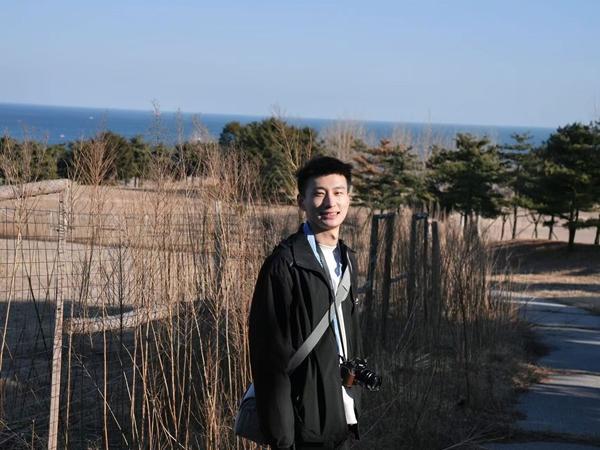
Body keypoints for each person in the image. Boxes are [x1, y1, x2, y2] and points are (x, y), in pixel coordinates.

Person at [249, 156, 362, 450]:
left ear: (349, 198)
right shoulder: (285, 264)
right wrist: (282, 436)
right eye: (319, 193)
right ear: (302, 201)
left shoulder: (347, 259)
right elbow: (268, 357)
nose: (330, 202)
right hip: (303, 425)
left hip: (343, 416)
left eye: (338, 192)